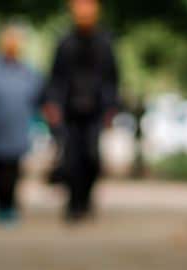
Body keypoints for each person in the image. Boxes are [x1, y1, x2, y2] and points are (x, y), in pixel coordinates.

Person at [43, 0, 119, 222]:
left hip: (95, 111)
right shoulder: (64, 42)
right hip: (69, 111)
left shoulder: (105, 42)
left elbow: (112, 78)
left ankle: (85, 199)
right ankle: (74, 203)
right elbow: (55, 78)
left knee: (92, 157)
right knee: (70, 159)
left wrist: (111, 107)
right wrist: (53, 104)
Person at [0, 24, 44, 225]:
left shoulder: (29, 72)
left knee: (13, 168)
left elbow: (38, 98)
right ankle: (0, 203)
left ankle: (10, 204)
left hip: (18, 127)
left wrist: (40, 121)